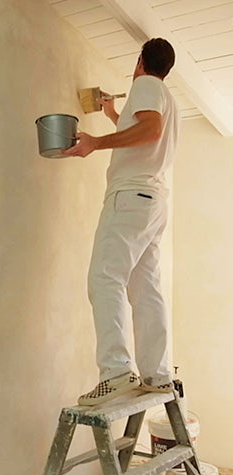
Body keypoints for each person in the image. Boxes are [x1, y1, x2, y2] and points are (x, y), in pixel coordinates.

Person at [63, 38, 180, 406]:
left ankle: (115, 373)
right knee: (146, 288)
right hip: (153, 202)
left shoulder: (145, 85)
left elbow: (150, 131)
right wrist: (114, 113)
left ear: (140, 60)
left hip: (130, 198)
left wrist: (96, 142)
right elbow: (143, 131)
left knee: (105, 277)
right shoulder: (164, 96)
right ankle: (158, 375)